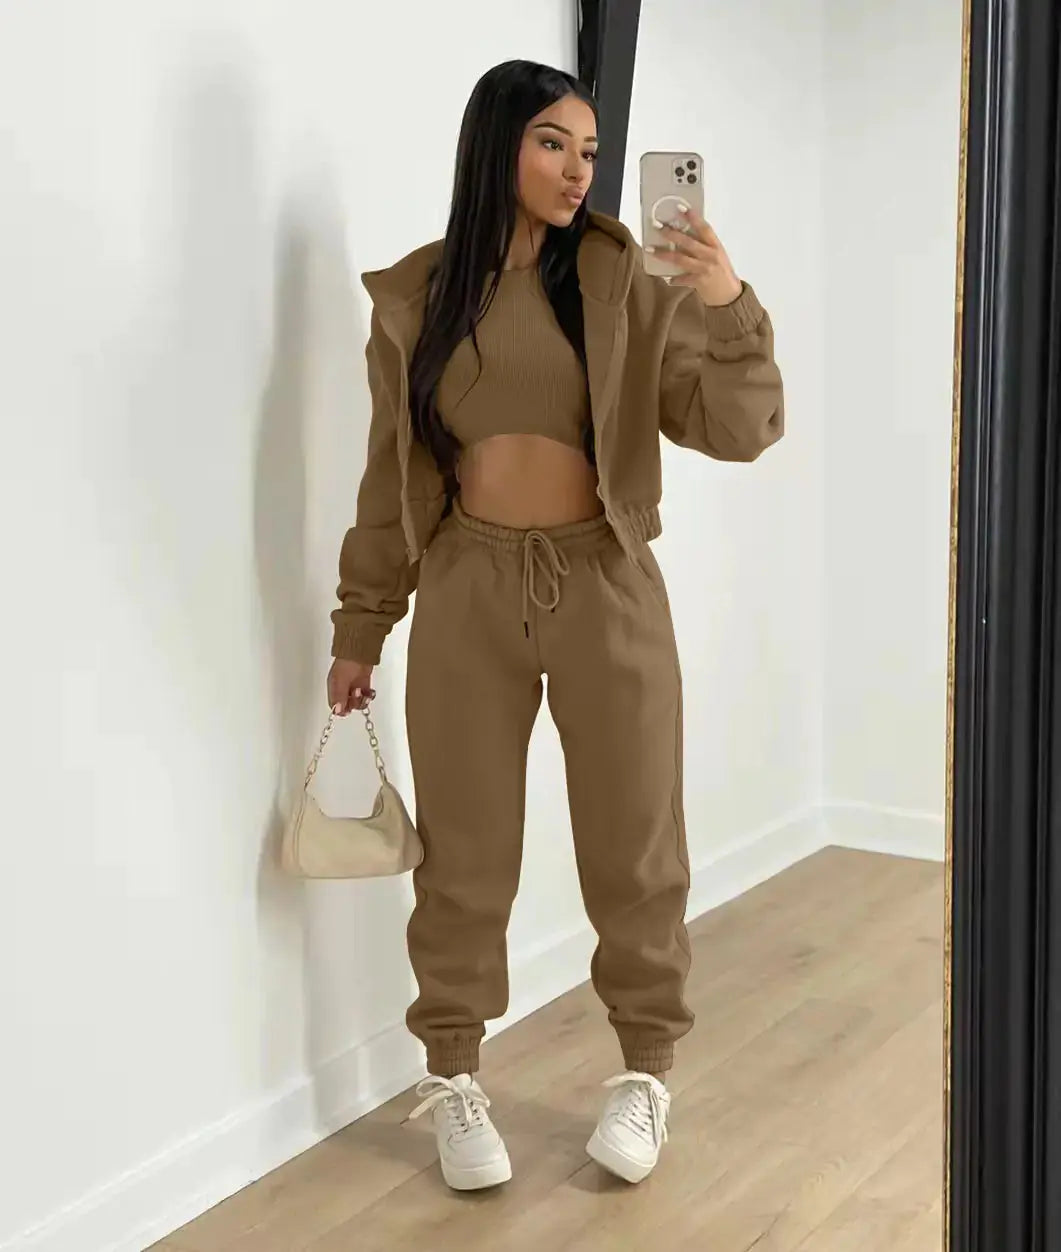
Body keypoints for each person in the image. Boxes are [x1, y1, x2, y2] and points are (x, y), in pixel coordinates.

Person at [326, 59, 783, 1192]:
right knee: (464, 854)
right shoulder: (420, 296)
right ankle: (452, 1075)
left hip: (604, 585)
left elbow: (736, 430)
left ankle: (643, 1072)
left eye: (588, 151)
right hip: (466, 590)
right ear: (495, 146)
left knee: (635, 846)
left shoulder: (627, 280)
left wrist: (725, 301)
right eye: (551, 144)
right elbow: (388, 479)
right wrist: (361, 626)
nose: (578, 170)